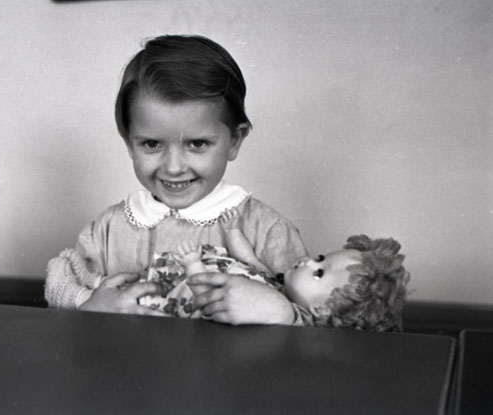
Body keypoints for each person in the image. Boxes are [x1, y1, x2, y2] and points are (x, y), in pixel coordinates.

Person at [45, 34, 308, 320]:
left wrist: (280, 311)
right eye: (152, 144)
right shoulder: (106, 231)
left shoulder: (268, 232)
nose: (173, 167)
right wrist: (88, 305)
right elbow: (66, 314)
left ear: (234, 140)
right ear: (129, 142)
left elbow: (319, 320)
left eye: (197, 144)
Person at [186, 225, 410, 331]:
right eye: (319, 258)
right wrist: (233, 229)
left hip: (191, 293)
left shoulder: (293, 320)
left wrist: (192, 264)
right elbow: (250, 259)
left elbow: (206, 297)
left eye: (318, 273)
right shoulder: (277, 283)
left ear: (321, 310)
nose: (307, 261)